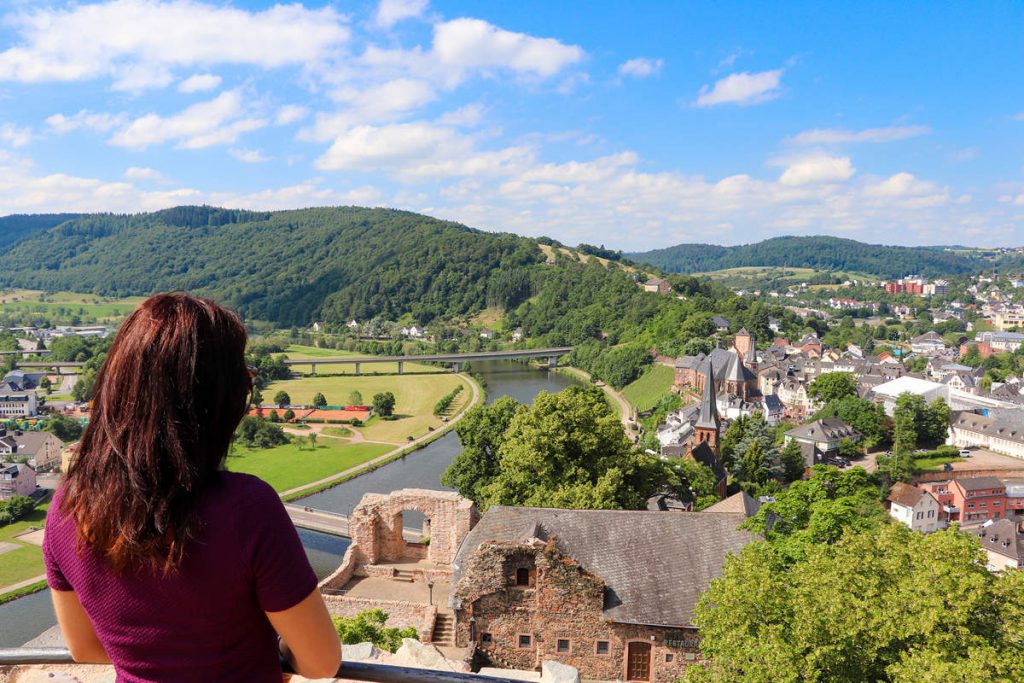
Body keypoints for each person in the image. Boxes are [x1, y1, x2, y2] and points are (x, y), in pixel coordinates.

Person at [43, 294, 341, 682]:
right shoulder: (247, 508)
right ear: (218, 399)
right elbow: (321, 662)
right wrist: (274, 649)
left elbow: (84, 649)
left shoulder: (66, 507)